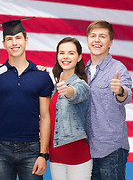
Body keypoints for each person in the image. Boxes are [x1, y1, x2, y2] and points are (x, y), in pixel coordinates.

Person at [0, 19, 54, 180]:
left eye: (18, 38)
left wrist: (43, 154)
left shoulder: (41, 76)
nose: (14, 43)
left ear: (26, 40)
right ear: (4, 43)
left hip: (32, 148)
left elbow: (46, 116)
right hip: (0, 148)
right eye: (9, 39)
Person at [85, 20, 132, 180]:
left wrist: (120, 91)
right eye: (93, 36)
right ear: (87, 39)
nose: (97, 40)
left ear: (110, 42)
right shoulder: (83, 71)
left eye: (102, 36)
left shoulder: (118, 69)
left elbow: (126, 95)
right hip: (86, 151)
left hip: (111, 150)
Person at [49, 37, 92, 180]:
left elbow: (75, 93)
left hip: (77, 156)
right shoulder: (54, 88)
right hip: (56, 156)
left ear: (79, 57)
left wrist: (66, 90)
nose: (65, 57)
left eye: (71, 53)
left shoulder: (81, 84)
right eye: (61, 53)